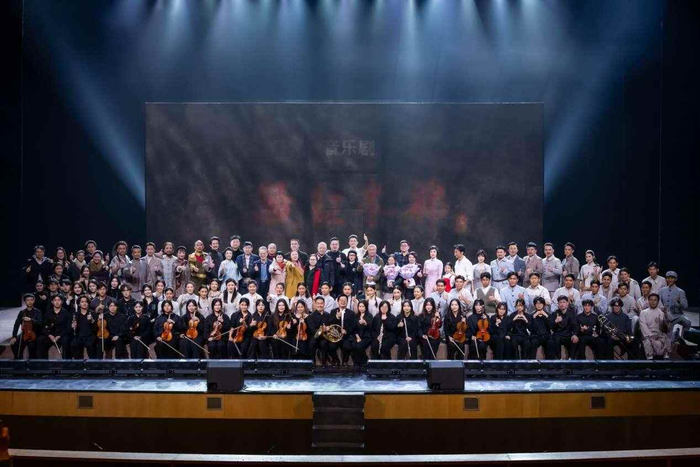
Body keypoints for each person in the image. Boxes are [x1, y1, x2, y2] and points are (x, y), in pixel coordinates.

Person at [659, 271, 691, 343]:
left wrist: (678, 303)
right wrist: (662, 309)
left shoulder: (680, 291)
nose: (670, 280)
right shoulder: (662, 290)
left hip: (676, 316)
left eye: (672, 278)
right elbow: (659, 302)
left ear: (675, 279)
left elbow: (685, 306)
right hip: (664, 316)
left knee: (687, 322)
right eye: (668, 278)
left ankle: (681, 335)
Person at [38, 294, 72, 359]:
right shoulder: (48, 313)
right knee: (40, 340)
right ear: (52, 302)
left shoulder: (66, 313)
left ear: (62, 302)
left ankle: (66, 362)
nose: (57, 302)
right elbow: (43, 327)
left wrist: (59, 336)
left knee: (66, 340)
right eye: (55, 300)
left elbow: (68, 328)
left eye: (59, 300)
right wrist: (49, 335)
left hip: (61, 335)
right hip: (50, 335)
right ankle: (43, 362)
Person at [326, 295, 356, 365]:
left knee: (347, 346)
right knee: (331, 346)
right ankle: (336, 360)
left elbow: (353, 325)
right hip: (335, 336)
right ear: (338, 301)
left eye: (345, 300)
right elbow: (329, 323)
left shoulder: (351, 313)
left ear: (347, 302)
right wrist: (336, 317)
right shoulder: (333, 311)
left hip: (346, 336)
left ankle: (345, 361)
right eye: (341, 300)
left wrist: (346, 331)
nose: (343, 302)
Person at [11, 293, 43, 359]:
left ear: (34, 301)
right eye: (27, 300)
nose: (30, 302)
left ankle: (31, 362)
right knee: (15, 344)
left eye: (31, 300)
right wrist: (14, 336)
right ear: (25, 301)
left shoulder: (38, 312)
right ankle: (19, 361)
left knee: (32, 346)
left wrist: (31, 320)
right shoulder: (22, 312)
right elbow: (16, 325)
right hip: (24, 334)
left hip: (35, 334)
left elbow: (40, 323)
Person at [639, 294, 670, 359]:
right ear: (648, 301)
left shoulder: (661, 313)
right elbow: (643, 326)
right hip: (648, 335)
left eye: (655, 300)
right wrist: (651, 335)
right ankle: (650, 358)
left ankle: (666, 356)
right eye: (651, 300)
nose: (653, 302)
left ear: (658, 302)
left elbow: (664, 328)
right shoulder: (643, 313)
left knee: (667, 338)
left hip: (659, 334)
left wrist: (665, 316)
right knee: (647, 341)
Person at [71, 295, 96, 359]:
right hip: (79, 336)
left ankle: (93, 364)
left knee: (91, 346)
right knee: (74, 345)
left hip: (90, 336)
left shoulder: (93, 313)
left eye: (86, 302)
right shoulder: (76, 314)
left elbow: (96, 328)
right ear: (79, 304)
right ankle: (78, 363)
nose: (84, 303)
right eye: (82, 302)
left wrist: (92, 320)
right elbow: (73, 330)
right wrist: (73, 326)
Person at [307, 296, 328, 365]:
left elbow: (330, 327)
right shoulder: (310, 316)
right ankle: (312, 363)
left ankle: (324, 363)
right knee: (312, 343)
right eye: (318, 303)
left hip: (325, 336)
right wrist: (322, 329)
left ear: (324, 304)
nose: (320, 305)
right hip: (314, 336)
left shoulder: (328, 315)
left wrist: (327, 329)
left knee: (324, 343)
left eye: (321, 303)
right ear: (315, 304)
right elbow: (312, 330)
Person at [352, 300, 374, 367]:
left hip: (367, 336)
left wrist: (365, 323)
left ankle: (365, 361)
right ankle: (357, 362)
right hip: (357, 336)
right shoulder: (356, 316)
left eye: (363, 306)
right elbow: (354, 328)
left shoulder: (369, 315)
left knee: (359, 346)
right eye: (360, 306)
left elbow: (370, 326)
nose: (361, 308)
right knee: (353, 346)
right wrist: (358, 337)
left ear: (366, 307)